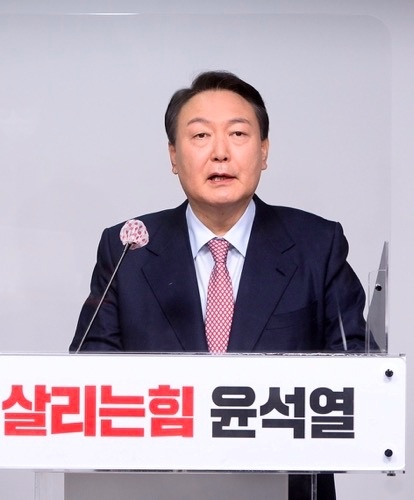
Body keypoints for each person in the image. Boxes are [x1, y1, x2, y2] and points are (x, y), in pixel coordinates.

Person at [70, 70, 367, 499]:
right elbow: (88, 379)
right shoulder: (128, 252)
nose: (221, 153)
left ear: (264, 151)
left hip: (283, 487)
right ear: (174, 156)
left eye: (238, 134)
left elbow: (357, 370)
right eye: (200, 136)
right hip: (157, 489)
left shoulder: (316, 245)